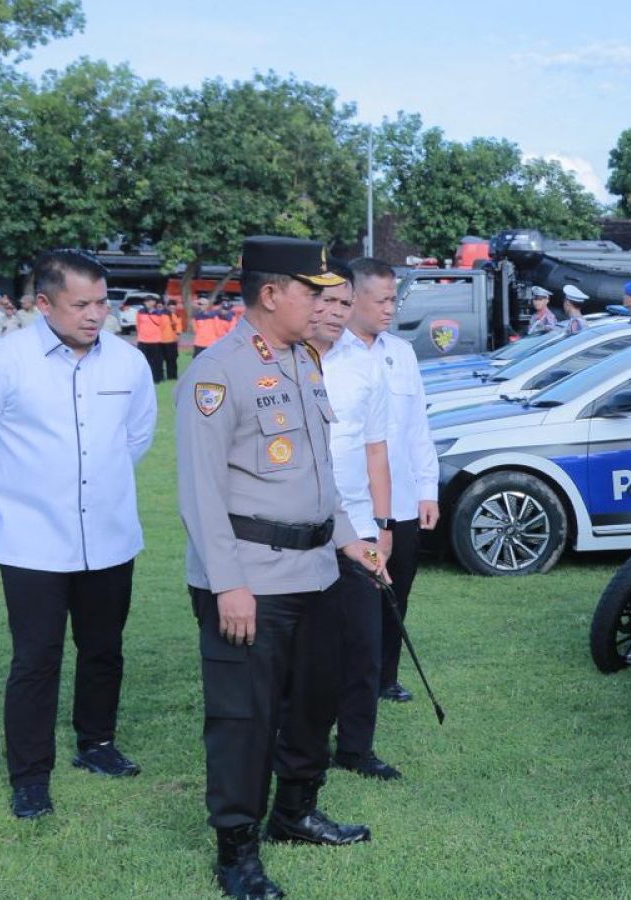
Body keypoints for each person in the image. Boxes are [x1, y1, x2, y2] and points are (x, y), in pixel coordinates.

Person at [176, 236, 384, 899]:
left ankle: (295, 811)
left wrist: (352, 538)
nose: (323, 302)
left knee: (311, 704)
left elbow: (319, 474)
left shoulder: (304, 361)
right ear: (272, 294)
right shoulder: (219, 372)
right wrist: (228, 582)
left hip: (319, 570)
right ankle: (236, 848)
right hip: (253, 578)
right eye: (310, 289)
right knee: (244, 718)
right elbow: (201, 493)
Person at [0, 249, 156, 820]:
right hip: (32, 543)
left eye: (103, 301)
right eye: (81, 304)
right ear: (44, 303)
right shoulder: (2, 363)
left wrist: (97, 491)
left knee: (104, 650)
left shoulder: (129, 363)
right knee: (36, 660)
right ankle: (31, 776)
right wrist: (13, 497)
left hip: (110, 536)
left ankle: (97, 744)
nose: (96, 314)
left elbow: (137, 437)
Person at [305, 258, 401, 781]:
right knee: (303, 647)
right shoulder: (279, 359)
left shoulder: (364, 365)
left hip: (358, 523)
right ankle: (300, 738)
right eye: (327, 302)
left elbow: (376, 451)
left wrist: (382, 527)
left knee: (363, 641)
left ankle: (357, 746)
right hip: (296, 526)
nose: (336, 313)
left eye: (345, 303)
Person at [345, 257, 441, 707]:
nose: (390, 309)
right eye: (381, 300)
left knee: (396, 593)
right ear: (353, 297)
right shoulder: (330, 353)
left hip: (401, 498)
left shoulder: (400, 353)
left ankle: (386, 676)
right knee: (351, 599)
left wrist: (428, 489)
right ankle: (351, 677)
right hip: (350, 504)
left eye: (393, 299)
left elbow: (417, 428)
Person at [135, 296, 165, 382]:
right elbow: (138, 324)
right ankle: (144, 379)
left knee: (157, 360)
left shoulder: (158, 313)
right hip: (143, 340)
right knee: (143, 360)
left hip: (155, 340)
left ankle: (157, 378)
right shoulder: (140, 312)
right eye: (148, 301)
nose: (149, 303)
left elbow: (162, 325)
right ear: (145, 303)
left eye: (151, 301)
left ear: (154, 303)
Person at [161, 297, 183, 380]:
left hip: (173, 341)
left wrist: (178, 334)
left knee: (173, 359)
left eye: (174, 308)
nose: (172, 309)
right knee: (163, 360)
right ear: (167, 307)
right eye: (170, 308)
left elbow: (179, 326)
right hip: (163, 341)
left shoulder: (177, 315)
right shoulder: (163, 315)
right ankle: (162, 376)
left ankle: (173, 376)